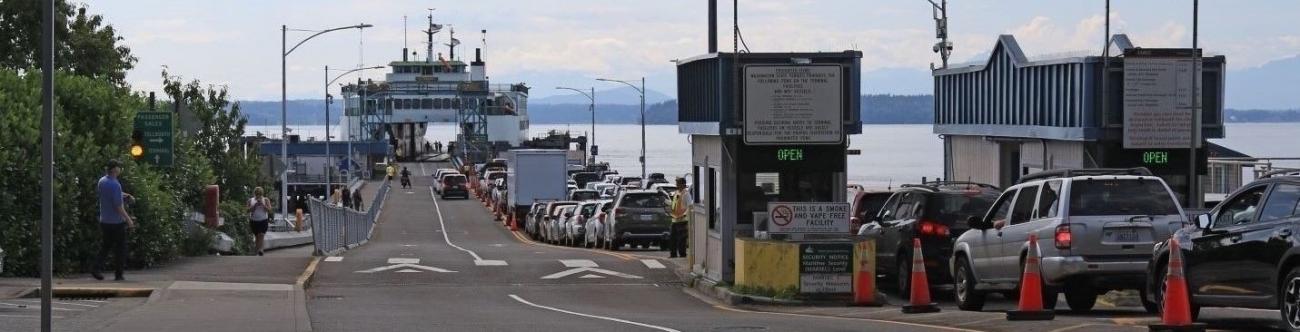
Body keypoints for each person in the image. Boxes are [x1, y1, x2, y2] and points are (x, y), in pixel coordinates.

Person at [94, 160, 134, 281]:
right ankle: (119, 274)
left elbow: (111, 194)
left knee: (105, 246)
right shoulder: (115, 184)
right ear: (114, 170)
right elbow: (118, 206)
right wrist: (128, 220)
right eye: (119, 167)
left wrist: (125, 195)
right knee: (120, 248)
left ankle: (96, 268)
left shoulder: (102, 181)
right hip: (117, 222)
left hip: (105, 220)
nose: (120, 169)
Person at [667, 177, 691, 258]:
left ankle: (682, 254)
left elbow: (689, 206)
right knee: (672, 238)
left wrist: (684, 214)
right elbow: (674, 204)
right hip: (675, 219)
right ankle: (673, 254)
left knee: (681, 239)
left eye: (678, 183)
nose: (677, 185)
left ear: (682, 184)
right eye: (677, 183)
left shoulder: (686, 194)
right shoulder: (676, 193)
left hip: (682, 220)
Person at [248, 187, 273, 256]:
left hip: (263, 220)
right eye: (257, 194)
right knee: (257, 236)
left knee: (261, 235)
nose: (258, 195)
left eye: (260, 194)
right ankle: (257, 250)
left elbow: (269, 210)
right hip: (254, 221)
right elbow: (247, 210)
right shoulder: (251, 200)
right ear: (255, 194)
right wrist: (255, 206)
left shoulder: (265, 200)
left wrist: (263, 204)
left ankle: (260, 250)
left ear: (262, 194)